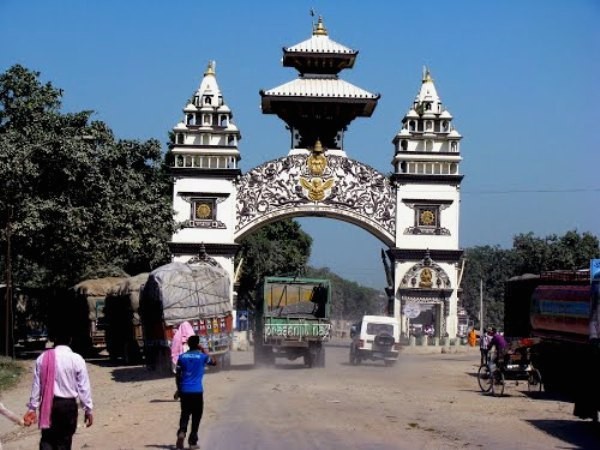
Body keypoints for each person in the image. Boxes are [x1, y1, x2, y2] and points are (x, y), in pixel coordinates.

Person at [23, 331, 93, 450]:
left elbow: (37, 386)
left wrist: (32, 408)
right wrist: (88, 409)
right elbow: (84, 388)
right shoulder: (76, 359)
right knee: (64, 441)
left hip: (48, 406)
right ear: (70, 340)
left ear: (54, 340)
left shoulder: (43, 358)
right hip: (68, 406)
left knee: (47, 440)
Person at [175, 334, 216, 450]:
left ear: (188, 344)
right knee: (196, 417)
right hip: (197, 391)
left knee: (185, 414)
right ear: (198, 344)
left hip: (185, 390)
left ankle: (182, 432)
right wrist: (204, 350)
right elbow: (214, 362)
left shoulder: (181, 357)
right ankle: (192, 442)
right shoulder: (202, 357)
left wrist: (178, 389)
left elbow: (178, 375)